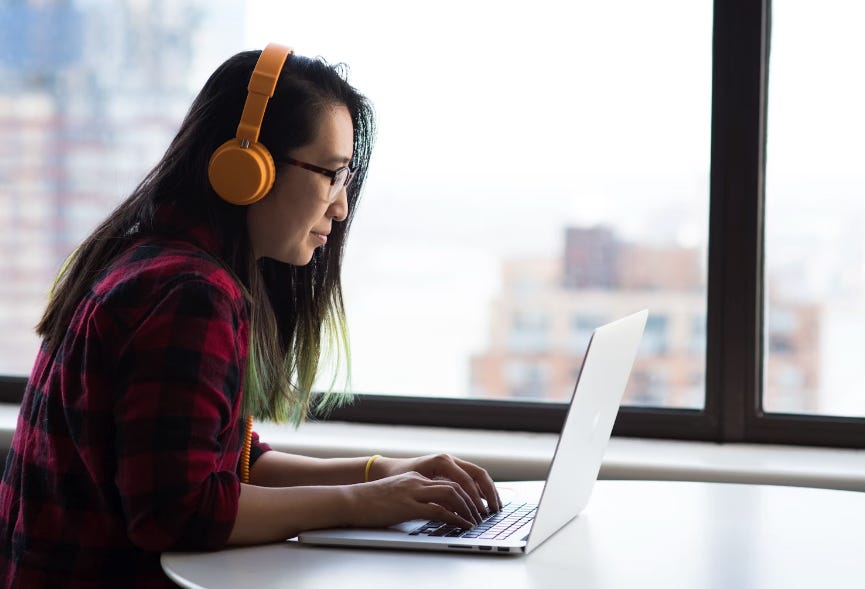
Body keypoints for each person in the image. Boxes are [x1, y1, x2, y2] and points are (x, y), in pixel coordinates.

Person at [0, 43, 501, 588]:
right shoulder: (189, 292)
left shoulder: (153, 259)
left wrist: (380, 472)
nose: (341, 206)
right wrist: (362, 502)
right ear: (248, 166)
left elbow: (226, 459)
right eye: (331, 174)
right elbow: (179, 510)